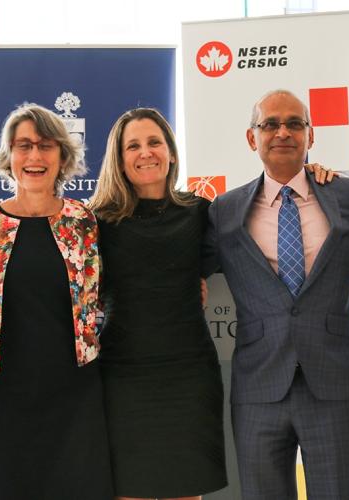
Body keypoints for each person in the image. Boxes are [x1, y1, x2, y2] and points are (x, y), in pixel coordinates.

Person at [203, 89, 349, 500]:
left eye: (295, 123)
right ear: (252, 138)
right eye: (270, 124)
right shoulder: (223, 210)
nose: (283, 132)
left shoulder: (348, 196)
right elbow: (184, 271)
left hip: (333, 385)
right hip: (257, 389)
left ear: (310, 135)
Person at [0, 103, 113, 500]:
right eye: (23, 145)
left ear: (62, 156)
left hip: (75, 390)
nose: (34, 156)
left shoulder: (83, 221)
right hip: (6, 390)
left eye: (45, 146)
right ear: (8, 156)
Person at [87, 107, 227, 500]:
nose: (145, 152)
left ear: (171, 152)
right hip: (123, 378)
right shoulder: (97, 221)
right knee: (128, 490)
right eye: (133, 145)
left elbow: (263, 208)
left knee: (185, 490)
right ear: (119, 158)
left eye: (154, 142)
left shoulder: (201, 213)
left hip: (188, 375)